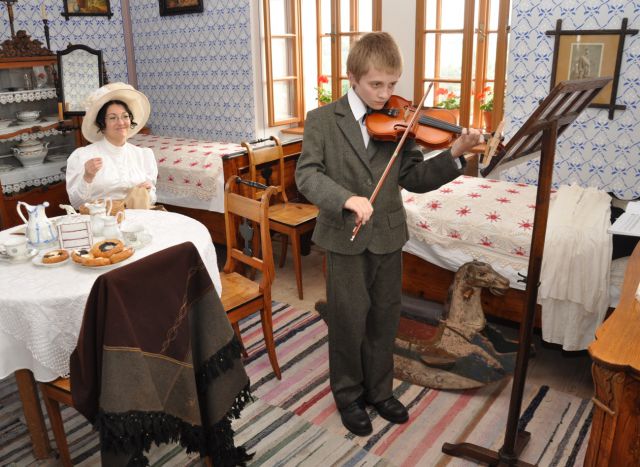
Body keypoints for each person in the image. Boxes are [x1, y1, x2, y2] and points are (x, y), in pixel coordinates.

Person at [295, 32, 483, 436]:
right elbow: (307, 175)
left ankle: (379, 391)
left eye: (392, 84)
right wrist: (346, 198)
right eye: (375, 84)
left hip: (388, 235)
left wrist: (453, 154)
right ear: (352, 77)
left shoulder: (402, 121)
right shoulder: (322, 120)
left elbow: (415, 177)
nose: (385, 94)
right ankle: (348, 395)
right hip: (343, 237)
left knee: (384, 318)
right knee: (348, 321)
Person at [66, 82, 157, 209]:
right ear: (101, 124)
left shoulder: (143, 155)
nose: (121, 122)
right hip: (101, 219)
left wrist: (147, 192)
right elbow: (76, 204)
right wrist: (87, 176)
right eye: (112, 118)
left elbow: (152, 200)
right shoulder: (83, 156)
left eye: (125, 116)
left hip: (137, 217)